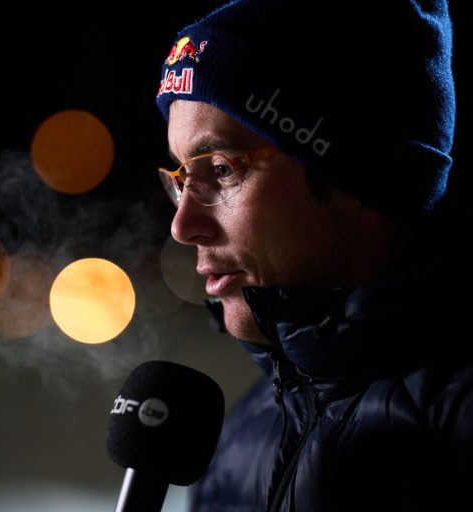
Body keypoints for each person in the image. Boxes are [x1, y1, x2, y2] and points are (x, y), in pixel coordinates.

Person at [155, 1, 471, 510]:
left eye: (222, 170)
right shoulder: (243, 439)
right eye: (180, 178)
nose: (181, 226)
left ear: (356, 177)